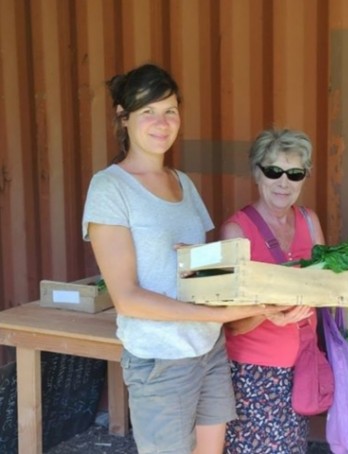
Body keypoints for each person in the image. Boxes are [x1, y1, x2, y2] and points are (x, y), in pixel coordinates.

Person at [81, 63, 284, 454]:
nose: (162, 122)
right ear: (124, 119)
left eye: (170, 110)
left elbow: (203, 270)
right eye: (148, 112)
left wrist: (267, 305)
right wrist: (225, 316)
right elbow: (128, 298)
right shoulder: (110, 188)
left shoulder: (183, 182)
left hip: (207, 350)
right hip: (161, 359)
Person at [219, 128, 325, 453]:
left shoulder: (309, 221)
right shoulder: (236, 230)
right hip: (254, 373)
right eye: (273, 171)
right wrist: (270, 312)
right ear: (257, 173)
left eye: (294, 173)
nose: (284, 183)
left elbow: (325, 286)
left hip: (302, 363)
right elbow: (226, 319)